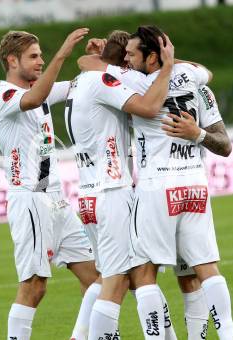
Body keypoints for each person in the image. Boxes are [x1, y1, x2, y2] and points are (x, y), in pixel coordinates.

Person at [78, 28, 216, 339]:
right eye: (125, 54)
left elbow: (86, 62)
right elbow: (201, 73)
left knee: (123, 278)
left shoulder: (113, 80)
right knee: (127, 279)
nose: (128, 59)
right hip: (123, 189)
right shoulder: (135, 80)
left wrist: (157, 60)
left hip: (101, 191)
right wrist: (169, 61)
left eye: (132, 53)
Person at [0, 28, 101, 340]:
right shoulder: (3, 97)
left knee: (99, 278)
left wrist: (98, 58)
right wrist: (63, 54)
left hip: (56, 200)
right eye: (34, 56)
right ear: (12, 61)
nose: (41, 61)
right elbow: (36, 96)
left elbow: (82, 85)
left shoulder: (40, 89)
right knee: (35, 287)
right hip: (30, 200)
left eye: (42, 56)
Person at [65, 30, 175, 339]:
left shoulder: (78, 82)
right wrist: (166, 68)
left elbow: (87, 61)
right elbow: (150, 107)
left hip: (89, 195)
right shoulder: (105, 82)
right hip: (111, 191)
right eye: (128, 57)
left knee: (134, 275)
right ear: (121, 64)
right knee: (116, 283)